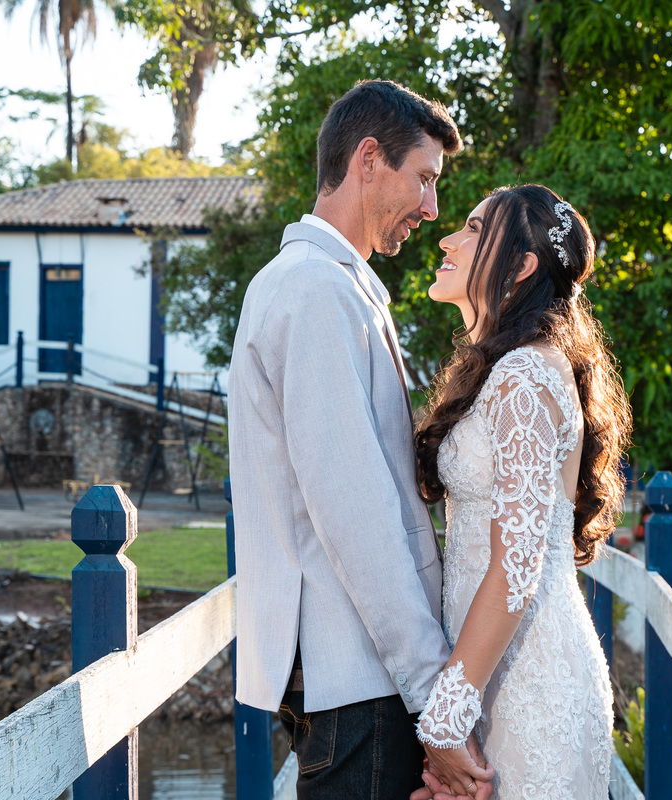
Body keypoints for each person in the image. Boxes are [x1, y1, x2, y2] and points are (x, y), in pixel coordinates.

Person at [228, 80, 493, 799]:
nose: (433, 209)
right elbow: (356, 514)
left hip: (352, 669)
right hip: (358, 673)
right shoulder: (314, 291)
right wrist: (431, 694)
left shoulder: (332, 286)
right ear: (369, 159)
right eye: (426, 180)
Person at [410, 184, 633, 798]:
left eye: (474, 230)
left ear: (520, 266)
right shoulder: (501, 369)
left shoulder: (526, 374)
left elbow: (517, 565)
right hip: (484, 672)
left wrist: (445, 720)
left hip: (531, 683)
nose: (448, 238)